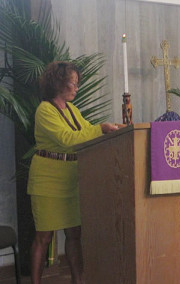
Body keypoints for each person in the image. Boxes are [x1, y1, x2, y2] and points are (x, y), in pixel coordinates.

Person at [27, 61, 120, 284]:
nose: (76, 88)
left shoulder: (72, 110)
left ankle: (78, 281)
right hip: (47, 181)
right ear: (58, 83)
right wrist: (101, 129)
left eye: (78, 84)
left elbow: (87, 131)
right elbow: (67, 139)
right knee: (44, 237)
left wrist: (112, 129)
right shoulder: (44, 110)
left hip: (71, 181)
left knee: (74, 234)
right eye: (73, 83)